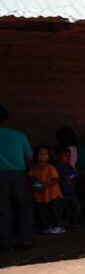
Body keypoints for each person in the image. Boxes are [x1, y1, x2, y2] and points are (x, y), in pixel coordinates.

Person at [0, 105, 35, 251]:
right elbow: (29, 157)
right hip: (19, 175)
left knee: (2, 210)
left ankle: (5, 244)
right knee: (24, 208)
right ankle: (27, 239)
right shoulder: (19, 136)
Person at [28, 145, 65, 235]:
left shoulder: (50, 167)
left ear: (49, 156)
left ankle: (58, 226)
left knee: (55, 210)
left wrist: (45, 185)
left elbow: (56, 179)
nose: (43, 156)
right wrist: (36, 184)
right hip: (40, 193)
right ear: (36, 155)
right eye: (41, 154)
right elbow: (31, 177)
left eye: (45, 154)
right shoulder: (34, 166)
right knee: (43, 212)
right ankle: (46, 227)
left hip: (52, 193)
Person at [52, 146, 80, 228]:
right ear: (58, 156)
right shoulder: (56, 166)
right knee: (60, 210)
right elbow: (61, 177)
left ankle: (74, 222)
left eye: (69, 156)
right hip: (61, 193)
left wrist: (75, 176)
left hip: (70, 192)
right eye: (65, 155)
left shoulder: (69, 166)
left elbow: (74, 176)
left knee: (76, 207)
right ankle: (60, 224)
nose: (67, 157)